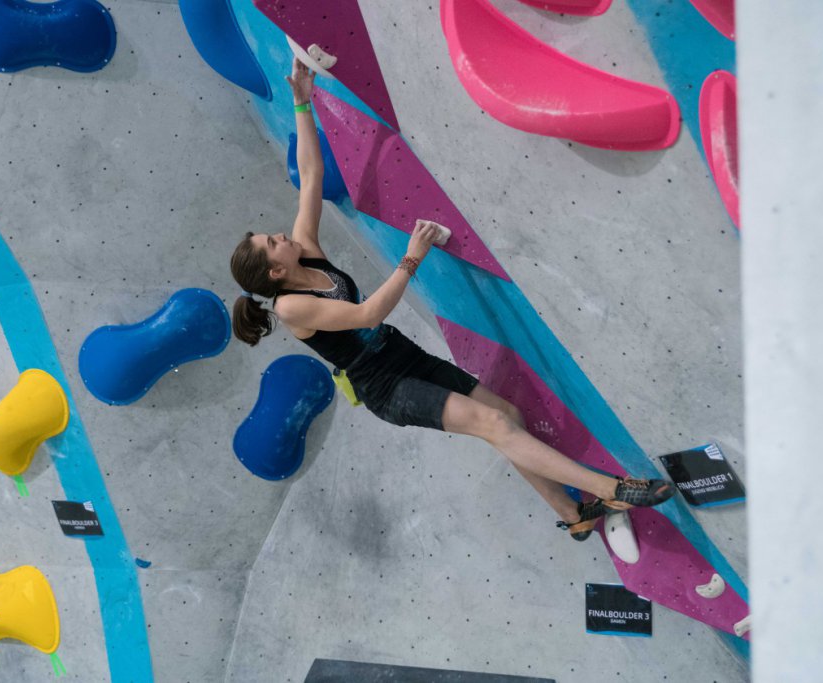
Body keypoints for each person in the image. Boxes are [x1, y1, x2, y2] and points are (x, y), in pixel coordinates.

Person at [229, 58, 674, 540]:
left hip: (400, 353)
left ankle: (573, 516)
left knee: (508, 417)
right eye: (272, 243)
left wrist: (301, 99)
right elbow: (366, 313)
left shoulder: (306, 252)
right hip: (385, 386)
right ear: (277, 271)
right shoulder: (292, 306)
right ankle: (612, 488)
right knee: (491, 422)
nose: (280, 234)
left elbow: (311, 176)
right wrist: (411, 259)